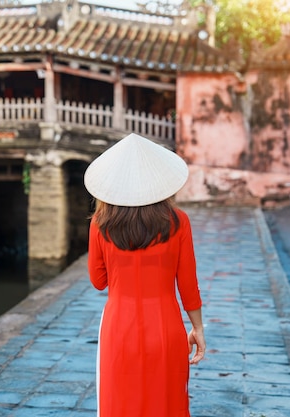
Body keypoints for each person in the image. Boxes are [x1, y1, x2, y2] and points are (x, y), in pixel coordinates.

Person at [84, 133, 205, 417]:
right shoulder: (178, 222)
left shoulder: (101, 224)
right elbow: (188, 285)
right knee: (166, 404)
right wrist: (198, 329)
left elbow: (98, 281)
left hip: (118, 327)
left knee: (120, 404)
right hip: (166, 326)